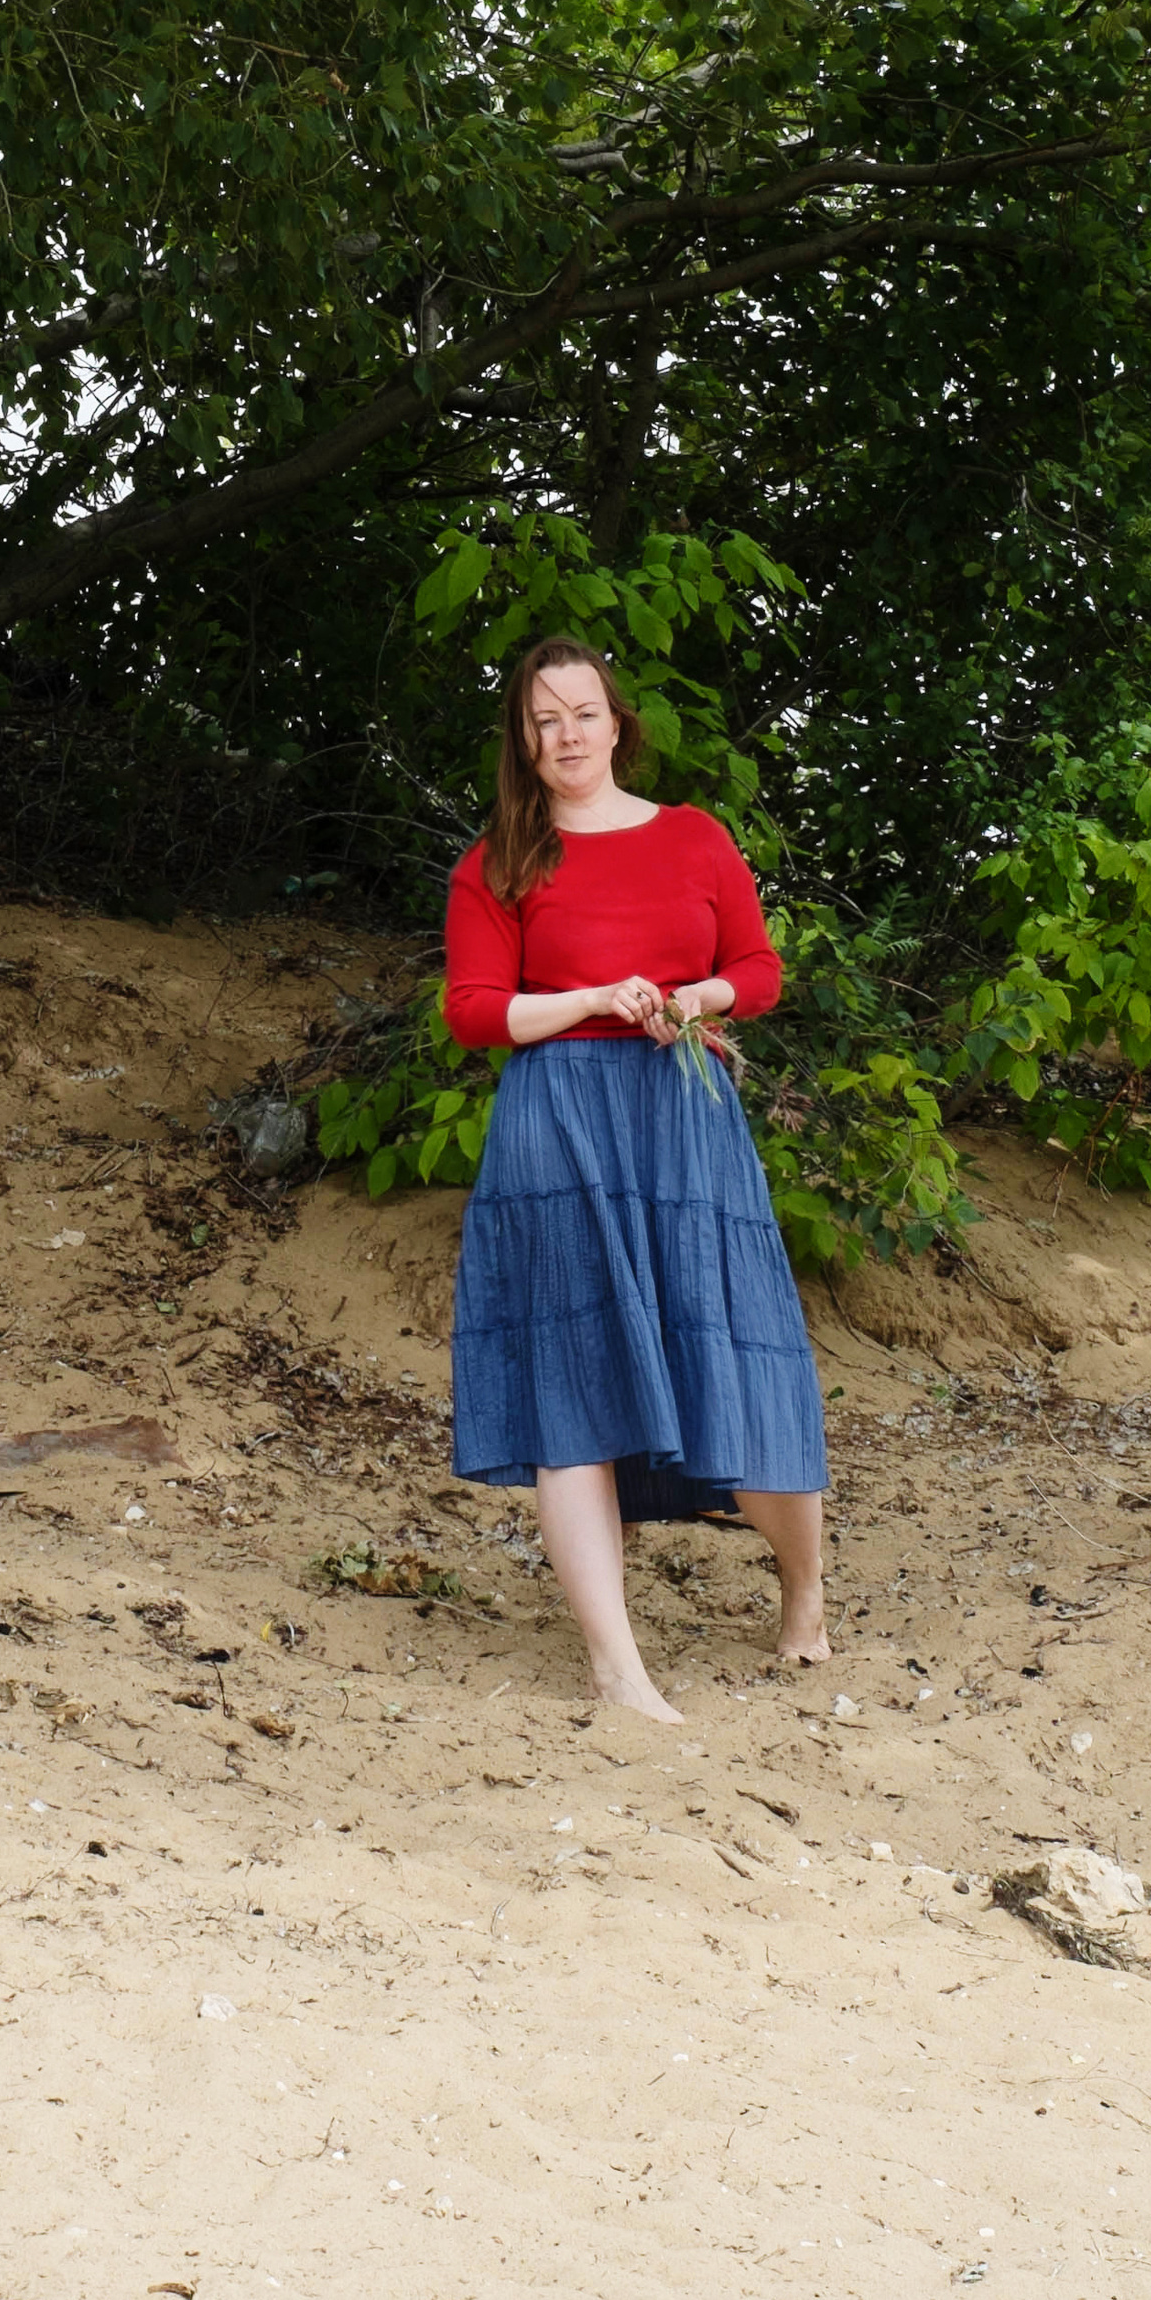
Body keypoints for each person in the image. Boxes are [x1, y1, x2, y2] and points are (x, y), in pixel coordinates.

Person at [442, 634, 829, 1722]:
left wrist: (688, 998)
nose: (565, 733)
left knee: (736, 1353)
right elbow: (473, 1009)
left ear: (618, 723)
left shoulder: (694, 837)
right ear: (524, 739)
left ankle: (803, 1587)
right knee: (571, 1383)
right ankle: (618, 1668)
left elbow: (757, 970)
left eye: (581, 711)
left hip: (682, 1119)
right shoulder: (499, 860)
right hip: (555, 1127)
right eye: (542, 717)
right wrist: (591, 998)